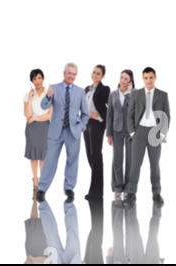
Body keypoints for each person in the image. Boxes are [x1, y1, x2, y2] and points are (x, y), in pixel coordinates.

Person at [37, 63, 89, 203]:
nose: (71, 76)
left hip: (73, 132)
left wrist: (82, 127)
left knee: (72, 161)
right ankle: (42, 189)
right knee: (50, 161)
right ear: (64, 73)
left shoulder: (80, 91)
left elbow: (85, 113)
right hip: (56, 132)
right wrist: (48, 97)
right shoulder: (54, 88)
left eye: (74, 74)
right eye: (69, 73)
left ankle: (69, 189)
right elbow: (43, 106)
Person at [126, 67, 170, 207]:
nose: (148, 80)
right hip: (139, 132)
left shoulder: (162, 95)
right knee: (135, 165)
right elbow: (130, 115)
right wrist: (133, 132)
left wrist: (162, 134)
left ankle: (156, 194)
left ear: (155, 77)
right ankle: (131, 193)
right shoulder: (136, 94)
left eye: (151, 77)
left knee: (154, 165)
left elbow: (167, 115)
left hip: (154, 132)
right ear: (142, 79)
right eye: (146, 78)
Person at [106, 70, 135, 201]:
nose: (123, 80)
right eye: (122, 77)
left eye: (126, 79)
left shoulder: (134, 94)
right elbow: (109, 115)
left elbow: (135, 110)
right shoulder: (113, 94)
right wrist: (109, 134)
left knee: (130, 160)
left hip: (130, 131)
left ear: (130, 81)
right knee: (117, 159)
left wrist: (129, 93)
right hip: (116, 130)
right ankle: (117, 188)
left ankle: (128, 189)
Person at [24, 69, 52, 199]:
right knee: (33, 156)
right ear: (32, 81)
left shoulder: (49, 94)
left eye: (39, 78)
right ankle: (35, 180)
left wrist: (35, 118)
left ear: (43, 79)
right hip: (32, 129)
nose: (37, 81)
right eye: (34, 79)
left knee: (43, 156)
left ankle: (43, 182)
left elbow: (49, 115)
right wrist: (29, 99)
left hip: (44, 127)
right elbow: (27, 114)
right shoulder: (28, 94)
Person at [84, 65, 110, 200]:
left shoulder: (104, 89)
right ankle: (96, 187)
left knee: (96, 155)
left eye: (98, 73)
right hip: (86, 124)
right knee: (89, 156)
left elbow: (109, 108)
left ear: (102, 76)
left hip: (96, 124)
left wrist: (99, 117)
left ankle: (96, 191)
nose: (95, 75)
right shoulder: (87, 89)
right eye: (94, 72)